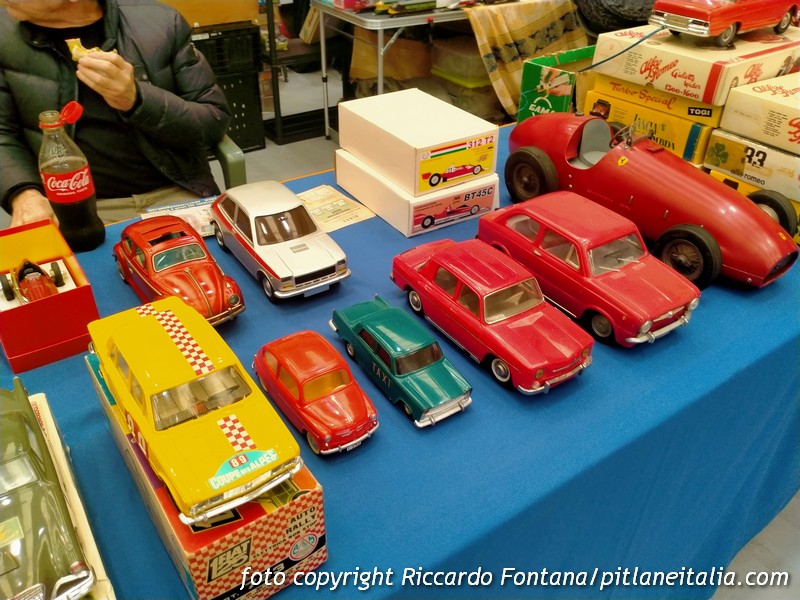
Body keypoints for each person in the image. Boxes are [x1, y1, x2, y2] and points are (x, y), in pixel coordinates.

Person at [0, 0, 232, 227]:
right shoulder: (4, 36)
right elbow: (3, 134)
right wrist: (23, 194)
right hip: (68, 206)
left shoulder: (160, 23)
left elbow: (213, 121)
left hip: (176, 192)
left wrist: (135, 99)